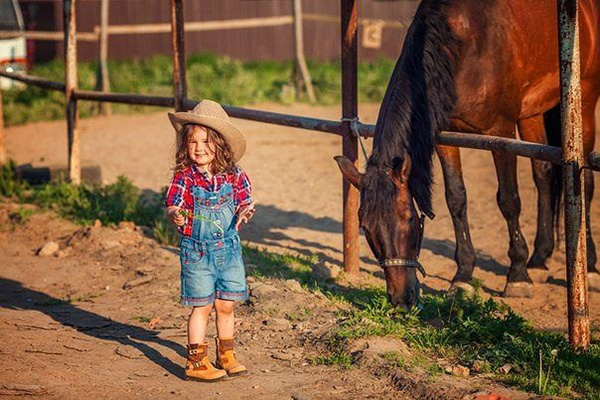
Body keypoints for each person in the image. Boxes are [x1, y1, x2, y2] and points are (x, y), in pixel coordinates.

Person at [165, 99, 255, 382]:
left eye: (206, 142)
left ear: (221, 145)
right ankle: (196, 361)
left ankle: (225, 353)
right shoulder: (185, 177)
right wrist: (176, 215)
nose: (199, 148)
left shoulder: (235, 175)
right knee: (201, 305)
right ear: (185, 146)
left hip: (229, 251)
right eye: (192, 142)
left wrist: (245, 211)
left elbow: (245, 201)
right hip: (197, 253)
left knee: (226, 304)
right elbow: (173, 203)